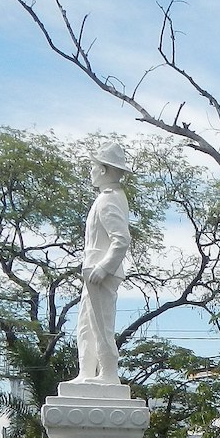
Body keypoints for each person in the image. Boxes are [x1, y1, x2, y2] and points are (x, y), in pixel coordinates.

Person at [74, 141, 133, 386]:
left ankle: (108, 373)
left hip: (101, 273)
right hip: (94, 271)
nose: (91, 171)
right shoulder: (107, 197)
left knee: (101, 325)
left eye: (93, 166)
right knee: (86, 325)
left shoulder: (109, 199)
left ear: (104, 170)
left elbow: (121, 240)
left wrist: (104, 267)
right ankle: (86, 371)